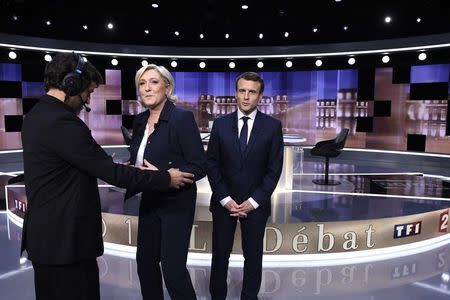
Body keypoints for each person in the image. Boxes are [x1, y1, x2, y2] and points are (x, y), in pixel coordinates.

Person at [20, 53, 194, 300]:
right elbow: (113, 174)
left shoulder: (37, 115)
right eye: (88, 92)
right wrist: (166, 178)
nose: (87, 100)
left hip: (50, 240)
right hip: (66, 243)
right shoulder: (63, 122)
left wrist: (98, 164)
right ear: (72, 84)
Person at [126, 64, 206, 300]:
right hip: (149, 201)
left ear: (167, 87)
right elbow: (139, 159)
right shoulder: (140, 121)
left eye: (153, 82)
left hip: (176, 204)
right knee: (145, 265)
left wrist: (165, 175)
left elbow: (200, 165)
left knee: (173, 271)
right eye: (142, 83)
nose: (147, 88)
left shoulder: (182, 118)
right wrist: (129, 168)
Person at [206, 72, 284, 300]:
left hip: (255, 205)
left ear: (260, 95)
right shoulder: (220, 125)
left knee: (253, 256)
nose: (246, 97)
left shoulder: (272, 127)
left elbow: (273, 170)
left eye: (252, 92)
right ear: (236, 93)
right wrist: (225, 199)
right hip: (223, 203)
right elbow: (212, 164)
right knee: (220, 255)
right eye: (242, 91)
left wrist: (252, 202)